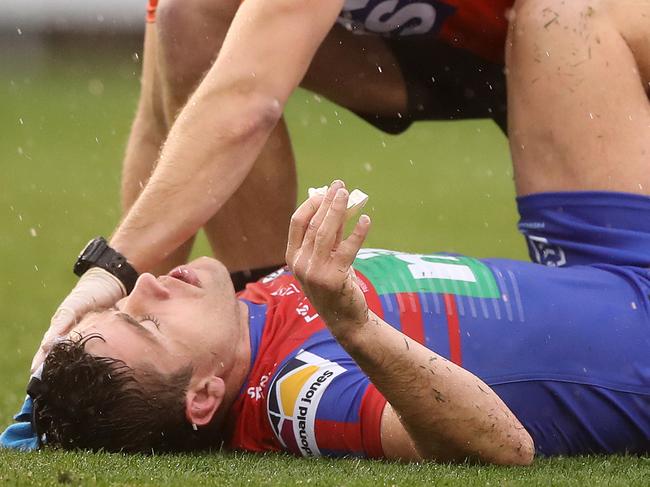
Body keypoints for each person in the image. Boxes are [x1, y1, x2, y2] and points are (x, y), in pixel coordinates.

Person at [3, 0, 650, 457]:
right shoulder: (294, 390)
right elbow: (506, 445)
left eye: (129, 302)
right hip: (617, 268)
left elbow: (213, 114)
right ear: (201, 395)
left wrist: (96, 329)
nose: (144, 287)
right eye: (144, 319)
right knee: (566, 15)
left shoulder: (260, 343)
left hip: (598, 255)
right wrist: (354, 324)